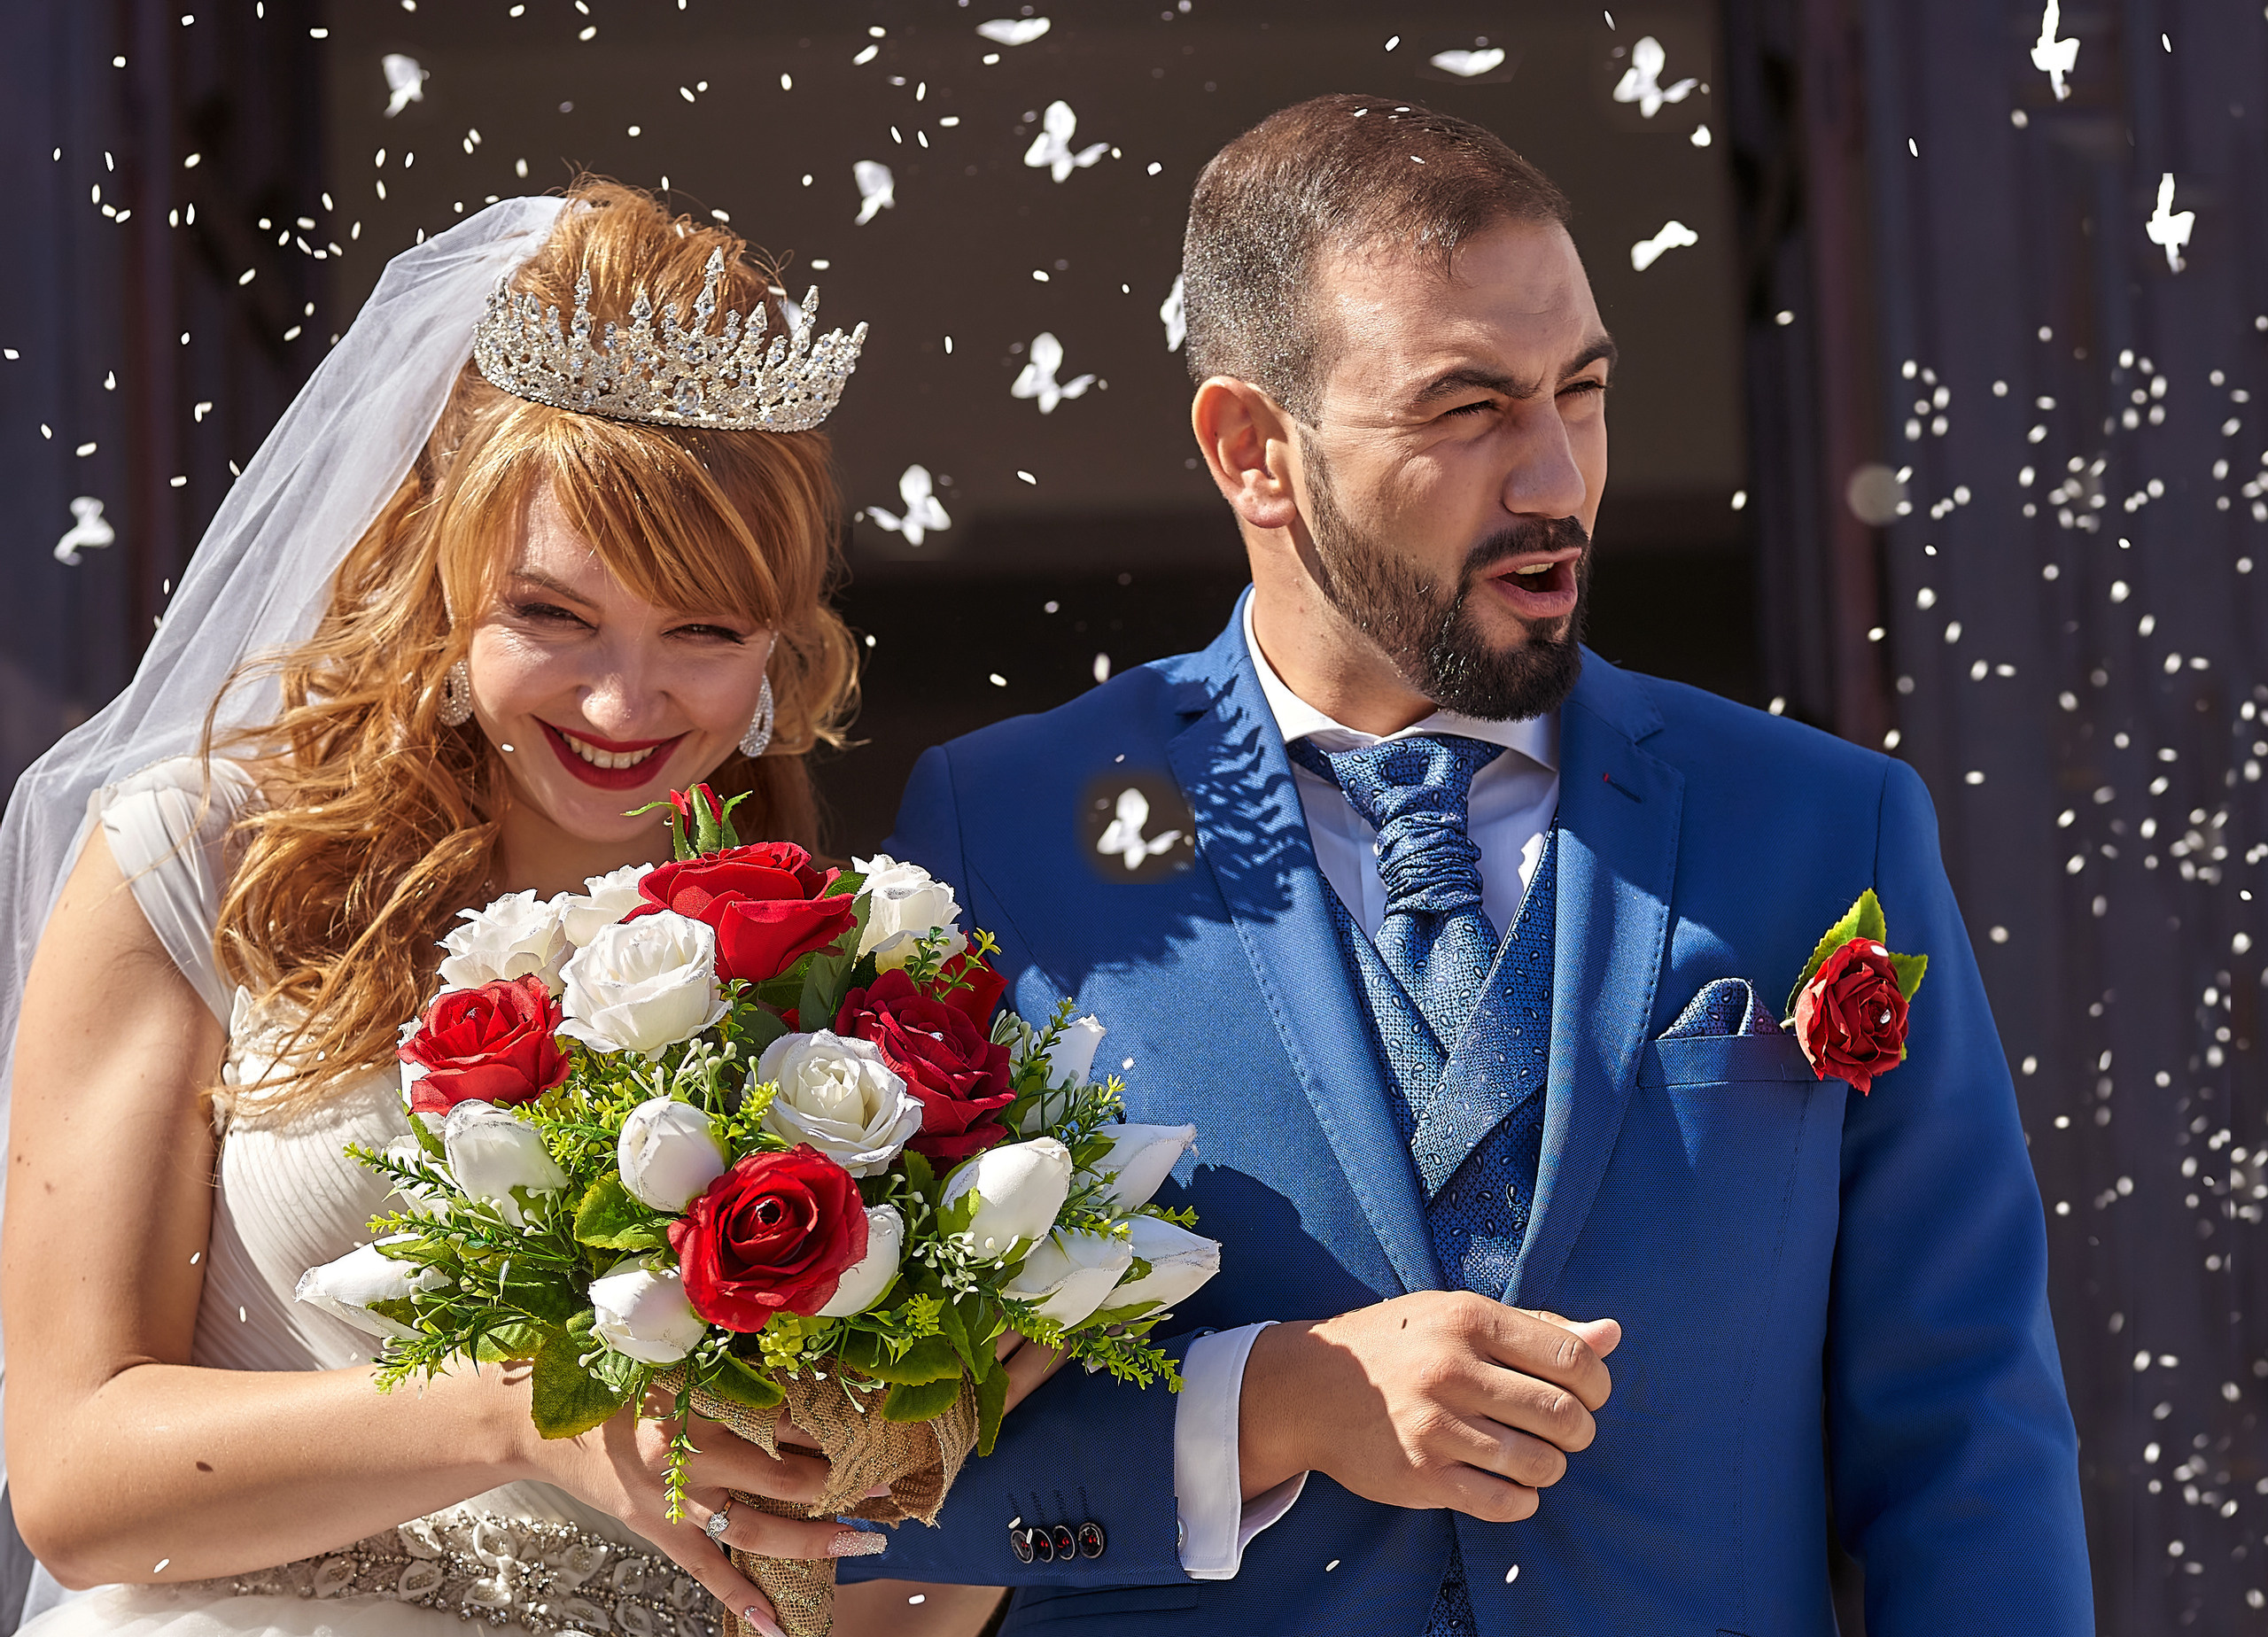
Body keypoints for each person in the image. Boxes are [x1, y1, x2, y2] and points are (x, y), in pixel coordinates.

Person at [847, 96, 2094, 1633]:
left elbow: (1968, 1442)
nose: (1557, 480)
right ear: (1254, 451)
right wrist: (1260, 1406)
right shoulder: (1004, 834)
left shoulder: (1829, 828)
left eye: (1582, 391)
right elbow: (873, 1476)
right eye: (1467, 408)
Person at [0, 181, 1036, 1637]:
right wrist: (504, 1418)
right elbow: (71, 1477)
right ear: (444, 585)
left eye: (702, 634)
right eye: (551, 618)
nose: (623, 704)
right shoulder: (207, 856)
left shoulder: (832, 990)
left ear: (781, 644)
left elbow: (863, 1581)